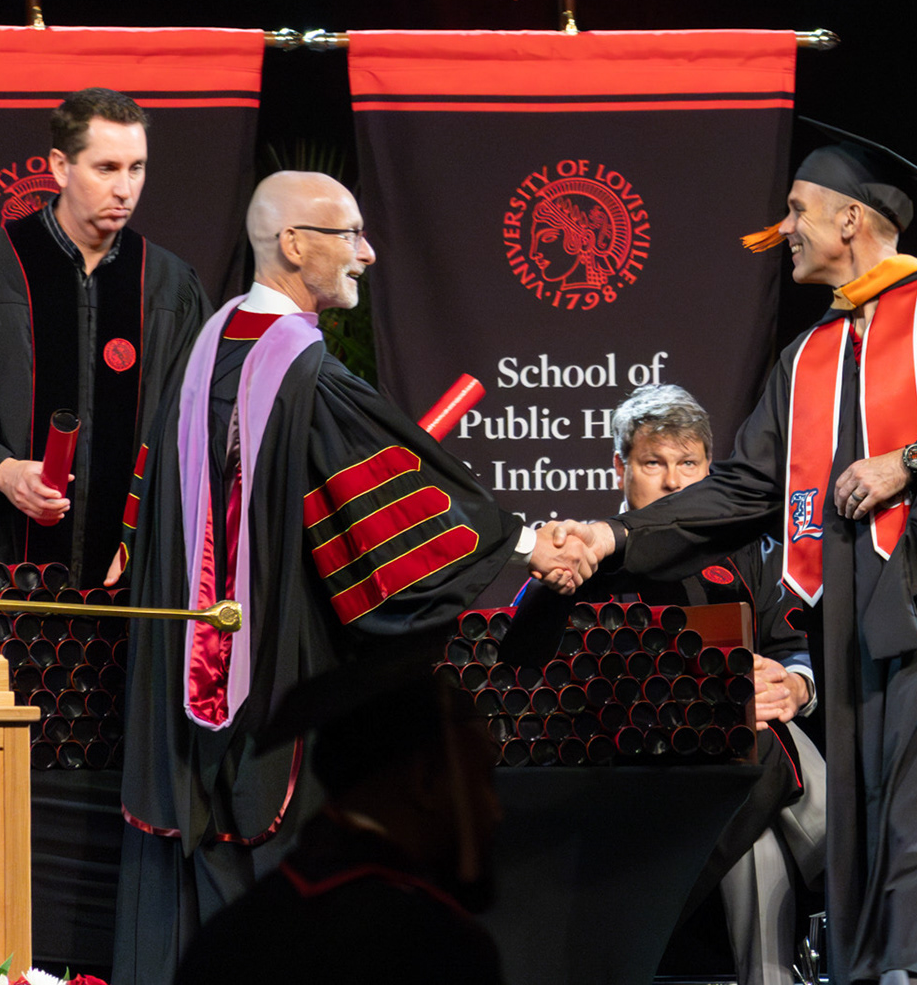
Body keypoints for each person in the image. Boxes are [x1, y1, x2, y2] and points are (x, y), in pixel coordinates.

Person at [556, 121, 917, 984]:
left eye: (797, 211)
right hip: (853, 631)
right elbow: (741, 492)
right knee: (866, 844)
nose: (782, 227)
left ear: (850, 221)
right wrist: (615, 533)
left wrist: (909, 462)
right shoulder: (807, 356)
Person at [114, 171, 588, 985]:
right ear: (295, 245)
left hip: (182, 696)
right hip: (281, 679)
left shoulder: (205, 348)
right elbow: (389, 527)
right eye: (350, 235)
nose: (368, 254)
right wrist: (523, 546)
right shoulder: (308, 376)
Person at [0, 88, 210, 586]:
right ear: (60, 166)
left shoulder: (169, 286)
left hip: (132, 584)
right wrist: (2, 471)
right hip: (1, 570)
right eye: (106, 168)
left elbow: (195, 437)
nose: (125, 189)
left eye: (136, 168)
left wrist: (140, 536)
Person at [564, 382, 825, 985]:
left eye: (690, 464)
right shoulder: (590, 562)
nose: (675, 483)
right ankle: (865, 880)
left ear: (712, 470)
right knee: (756, 756)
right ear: (619, 468)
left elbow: (796, 648)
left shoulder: (752, 554)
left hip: (746, 768)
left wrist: (795, 684)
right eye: (654, 463)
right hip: (645, 778)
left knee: (756, 818)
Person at [174, 638, 507, 985]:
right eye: (482, 779)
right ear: (424, 780)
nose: (495, 810)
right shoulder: (440, 951)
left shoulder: (229, 939)